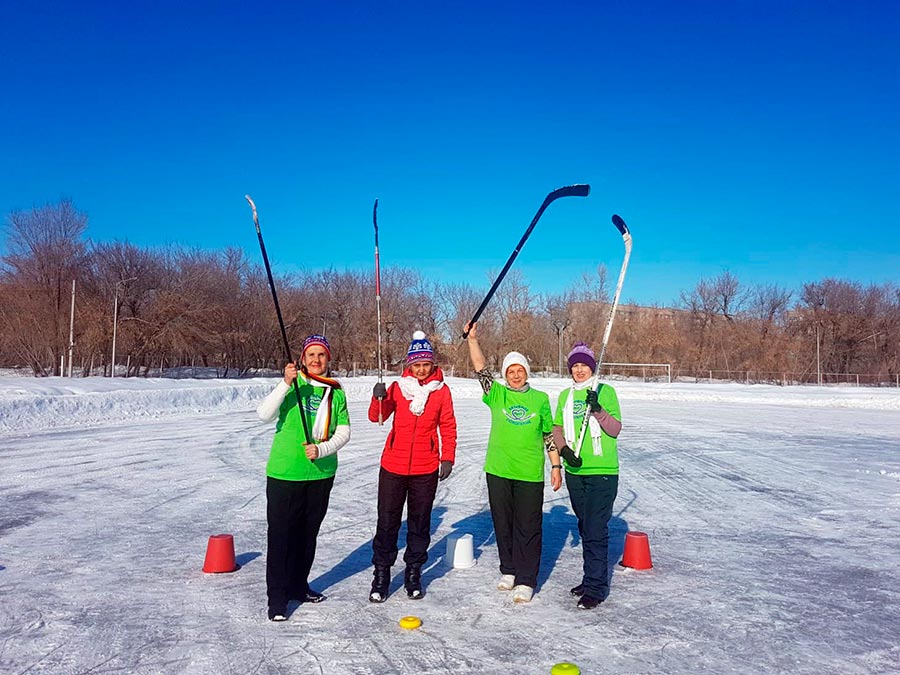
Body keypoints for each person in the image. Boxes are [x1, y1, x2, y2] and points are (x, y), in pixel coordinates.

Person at [464, 321, 561, 603]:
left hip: (529, 473)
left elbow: (548, 436)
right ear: (505, 375)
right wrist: (473, 339)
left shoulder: (540, 399)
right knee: (503, 523)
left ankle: (527, 578)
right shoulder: (498, 394)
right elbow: (481, 369)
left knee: (528, 526)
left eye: (520, 371)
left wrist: (555, 466)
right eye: (511, 371)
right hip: (498, 470)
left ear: (526, 373)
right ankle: (508, 569)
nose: (516, 375)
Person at [256, 334, 351, 621]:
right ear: (303, 358)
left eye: (321, 355)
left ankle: (298, 585)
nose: (316, 360)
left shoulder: (336, 391)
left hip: (321, 474)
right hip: (286, 474)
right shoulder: (292, 384)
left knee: (308, 536)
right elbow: (263, 414)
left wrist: (322, 449)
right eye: (311, 355)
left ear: (328, 359)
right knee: (282, 537)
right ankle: (277, 597)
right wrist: (285, 383)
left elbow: (344, 431)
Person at [367, 330, 457, 602]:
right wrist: (378, 398)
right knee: (387, 522)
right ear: (409, 365)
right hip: (393, 466)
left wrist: (447, 457)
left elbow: (448, 425)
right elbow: (377, 417)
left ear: (432, 365)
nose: (421, 369)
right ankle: (381, 575)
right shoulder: (397, 388)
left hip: (425, 468)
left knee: (419, 524)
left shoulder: (441, 392)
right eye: (416, 364)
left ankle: (413, 573)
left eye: (425, 364)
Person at [552, 341, 622, 610]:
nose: (579, 370)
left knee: (595, 528)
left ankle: (596, 587)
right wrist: (565, 451)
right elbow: (557, 428)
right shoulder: (565, 396)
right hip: (575, 471)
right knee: (584, 527)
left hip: (602, 472)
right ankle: (589, 577)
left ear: (592, 367)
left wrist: (598, 410)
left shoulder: (605, 391)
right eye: (575, 366)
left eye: (584, 365)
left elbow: (615, 429)